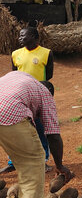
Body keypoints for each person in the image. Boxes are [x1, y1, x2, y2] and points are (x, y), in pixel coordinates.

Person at [0, 71, 72, 198]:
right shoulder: (45, 95)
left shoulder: (17, 76)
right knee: (32, 163)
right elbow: (53, 135)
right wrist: (59, 165)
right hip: (9, 113)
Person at [1, 27, 53, 174]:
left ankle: (43, 161)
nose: (19, 38)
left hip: (37, 97)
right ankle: (13, 161)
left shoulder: (46, 53)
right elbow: (14, 74)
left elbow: (49, 75)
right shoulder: (15, 54)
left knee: (40, 129)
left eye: (23, 35)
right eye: (19, 35)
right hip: (19, 99)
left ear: (34, 37)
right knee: (16, 128)